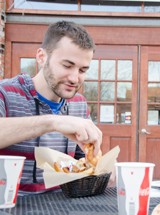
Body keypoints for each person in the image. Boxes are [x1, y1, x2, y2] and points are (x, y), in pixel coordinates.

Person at [0, 21, 102, 195]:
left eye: (83, 70)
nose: (75, 78)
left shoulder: (79, 104)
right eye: (67, 66)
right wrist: (53, 122)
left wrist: (103, 168)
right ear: (41, 57)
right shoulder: (5, 93)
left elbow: (84, 164)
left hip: (63, 206)